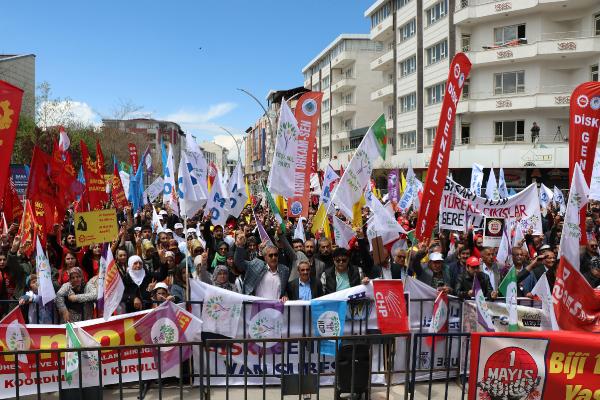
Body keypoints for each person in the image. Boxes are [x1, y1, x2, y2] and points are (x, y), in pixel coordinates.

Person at [234, 233, 289, 300]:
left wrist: (285, 296)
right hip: (258, 308)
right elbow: (239, 263)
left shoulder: (284, 270)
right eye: (270, 255)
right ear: (265, 257)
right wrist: (240, 246)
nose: (274, 257)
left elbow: (285, 289)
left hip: (276, 309)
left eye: (276, 255)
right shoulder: (256, 265)